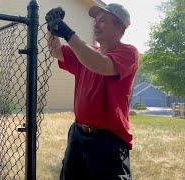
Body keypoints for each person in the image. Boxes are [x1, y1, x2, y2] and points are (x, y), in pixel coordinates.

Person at [45, 3, 139, 180]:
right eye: (95, 21)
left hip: (108, 141)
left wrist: (67, 33)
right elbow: (55, 51)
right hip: (78, 136)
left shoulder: (128, 53)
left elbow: (101, 65)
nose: (96, 25)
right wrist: (52, 29)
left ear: (119, 26)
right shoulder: (86, 52)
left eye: (102, 21)